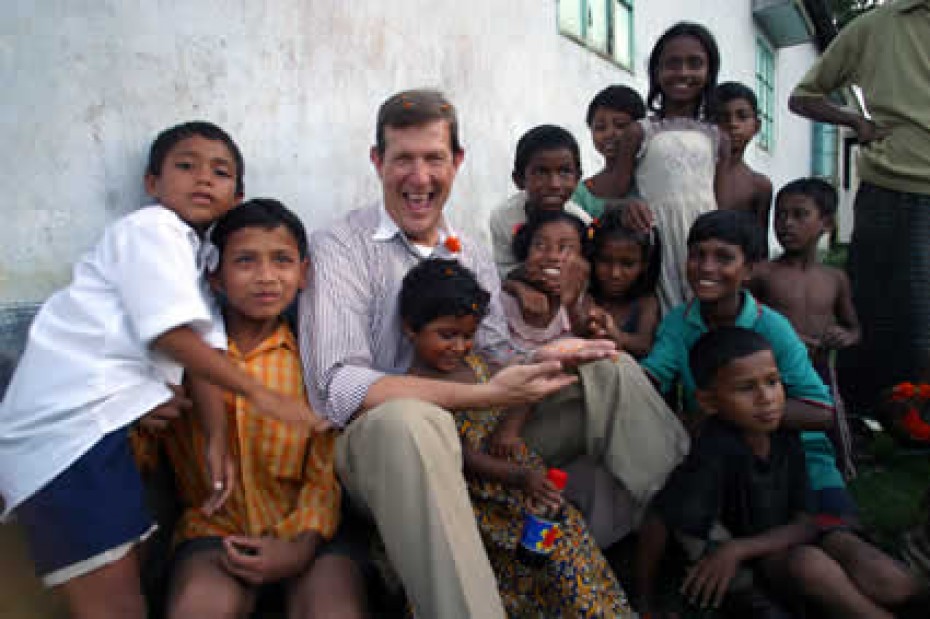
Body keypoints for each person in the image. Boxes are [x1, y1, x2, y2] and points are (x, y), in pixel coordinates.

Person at [299, 88, 686, 618]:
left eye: (434, 158)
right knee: (409, 423)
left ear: (457, 162)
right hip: (382, 448)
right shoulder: (340, 246)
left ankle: (692, 529)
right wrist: (484, 392)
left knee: (602, 365)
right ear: (377, 162)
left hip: (478, 434)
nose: (419, 177)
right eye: (403, 159)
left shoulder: (470, 250)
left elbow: (500, 360)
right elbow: (337, 389)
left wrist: (558, 348)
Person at [0, 122, 322, 619]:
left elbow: (204, 360)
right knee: (115, 607)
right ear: (152, 184)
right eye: (186, 166)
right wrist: (263, 395)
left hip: (99, 437)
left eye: (221, 172)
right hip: (69, 439)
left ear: (236, 196)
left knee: (127, 587)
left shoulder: (194, 264)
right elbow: (171, 337)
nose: (203, 179)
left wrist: (216, 438)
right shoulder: (150, 230)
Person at [132, 199, 366, 618]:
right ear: (216, 277)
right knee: (198, 608)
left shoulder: (313, 359)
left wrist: (300, 548)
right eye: (245, 261)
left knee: (334, 610)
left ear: (304, 273)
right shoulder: (184, 361)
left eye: (282, 261)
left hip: (309, 533)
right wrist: (138, 421)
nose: (266, 277)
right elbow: (140, 458)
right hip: (214, 531)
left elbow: (324, 471)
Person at [634, 210, 842, 615]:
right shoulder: (680, 322)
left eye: (723, 257)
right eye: (697, 255)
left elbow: (821, 412)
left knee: (842, 554)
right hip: (724, 458)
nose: (706, 268)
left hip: (798, 460)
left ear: (748, 269)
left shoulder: (773, 328)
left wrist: (730, 413)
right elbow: (654, 376)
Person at [400, 258, 633, 618]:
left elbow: (519, 390)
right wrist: (519, 477)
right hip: (486, 500)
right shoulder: (419, 388)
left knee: (568, 546)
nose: (459, 346)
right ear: (411, 330)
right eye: (447, 335)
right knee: (518, 573)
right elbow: (459, 457)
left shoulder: (476, 363)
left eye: (468, 335)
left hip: (529, 485)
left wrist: (512, 428)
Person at [649, 327, 925, 619]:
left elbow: (807, 522)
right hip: (771, 555)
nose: (766, 398)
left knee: (892, 581)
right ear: (708, 401)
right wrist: (645, 600)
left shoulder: (785, 436)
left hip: (801, 533)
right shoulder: (713, 452)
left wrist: (737, 549)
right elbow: (659, 515)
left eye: (772, 382)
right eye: (746, 388)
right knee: (810, 565)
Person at [787, 0, 930, 416]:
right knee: (869, 312)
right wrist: (856, 122)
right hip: (887, 186)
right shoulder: (876, 26)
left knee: (922, 318)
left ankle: (912, 417)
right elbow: (804, 96)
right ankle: (858, 417)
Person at [589, 21, 727, 313]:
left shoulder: (717, 136)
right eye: (672, 64)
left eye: (695, 64)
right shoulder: (640, 131)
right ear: (656, 71)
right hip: (657, 234)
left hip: (702, 236)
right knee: (662, 308)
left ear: (710, 71)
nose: (683, 73)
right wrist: (628, 205)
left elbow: (722, 199)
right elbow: (616, 190)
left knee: (703, 309)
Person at [751, 178, 859, 478]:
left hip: (820, 370)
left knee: (831, 426)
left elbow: (853, 327)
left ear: (826, 223)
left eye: (799, 215)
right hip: (774, 371)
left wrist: (844, 336)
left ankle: (840, 475)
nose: (786, 224)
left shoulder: (834, 278)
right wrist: (786, 339)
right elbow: (746, 321)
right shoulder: (763, 273)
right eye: (780, 215)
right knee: (774, 429)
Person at [489, 124, 591, 280]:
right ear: (519, 179)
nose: (554, 184)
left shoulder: (582, 222)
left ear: (577, 178)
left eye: (564, 171)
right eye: (541, 172)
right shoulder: (504, 218)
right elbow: (504, 272)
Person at [500, 210, 588, 351]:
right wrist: (516, 287)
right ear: (526, 251)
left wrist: (571, 306)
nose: (553, 256)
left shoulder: (582, 302)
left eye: (565, 248)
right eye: (540, 246)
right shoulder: (502, 303)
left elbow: (587, 337)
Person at [583, 207, 661, 359]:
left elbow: (644, 345)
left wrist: (615, 333)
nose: (615, 273)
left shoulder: (646, 303)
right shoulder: (587, 298)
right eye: (605, 261)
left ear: (644, 264)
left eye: (627, 264)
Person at [712, 81, 773, 248]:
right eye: (722, 117)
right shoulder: (694, 172)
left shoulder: (759, 186)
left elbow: (759, 246)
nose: (732, 124)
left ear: (757, 126)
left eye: (742, 116)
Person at [572, 85, 647, 218]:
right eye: (600, 127)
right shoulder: (581, 193)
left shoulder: (651, 177)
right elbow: (582, 233)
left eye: (621, 125)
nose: (609, 134)